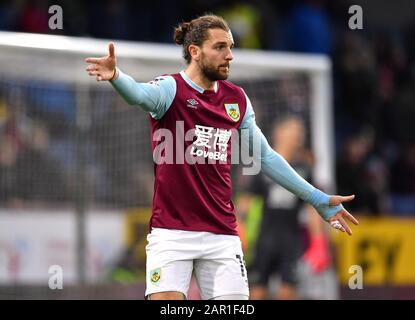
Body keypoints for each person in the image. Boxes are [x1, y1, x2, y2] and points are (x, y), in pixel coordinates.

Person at [85, 14, 358, 300]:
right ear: (195, 51)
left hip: (222, 236)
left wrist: (317, 198)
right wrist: (117, 76)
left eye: (230, 47)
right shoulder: (170, 89)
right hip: (171, 233)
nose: (229, 55)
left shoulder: (236, 100)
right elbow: (139, 95)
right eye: (219, 47)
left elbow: (265, 156)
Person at [238, 116, 333, 300]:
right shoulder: (262, 166)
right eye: (294, 132)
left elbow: (312, 208)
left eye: (300, 134)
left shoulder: (303, 170)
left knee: (288, 294)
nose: (298, 137)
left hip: (291, 242)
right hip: (263, 241)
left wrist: (318, 240)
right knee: (257, 293)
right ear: (279, 135)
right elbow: (246, 200)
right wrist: (238, 228)